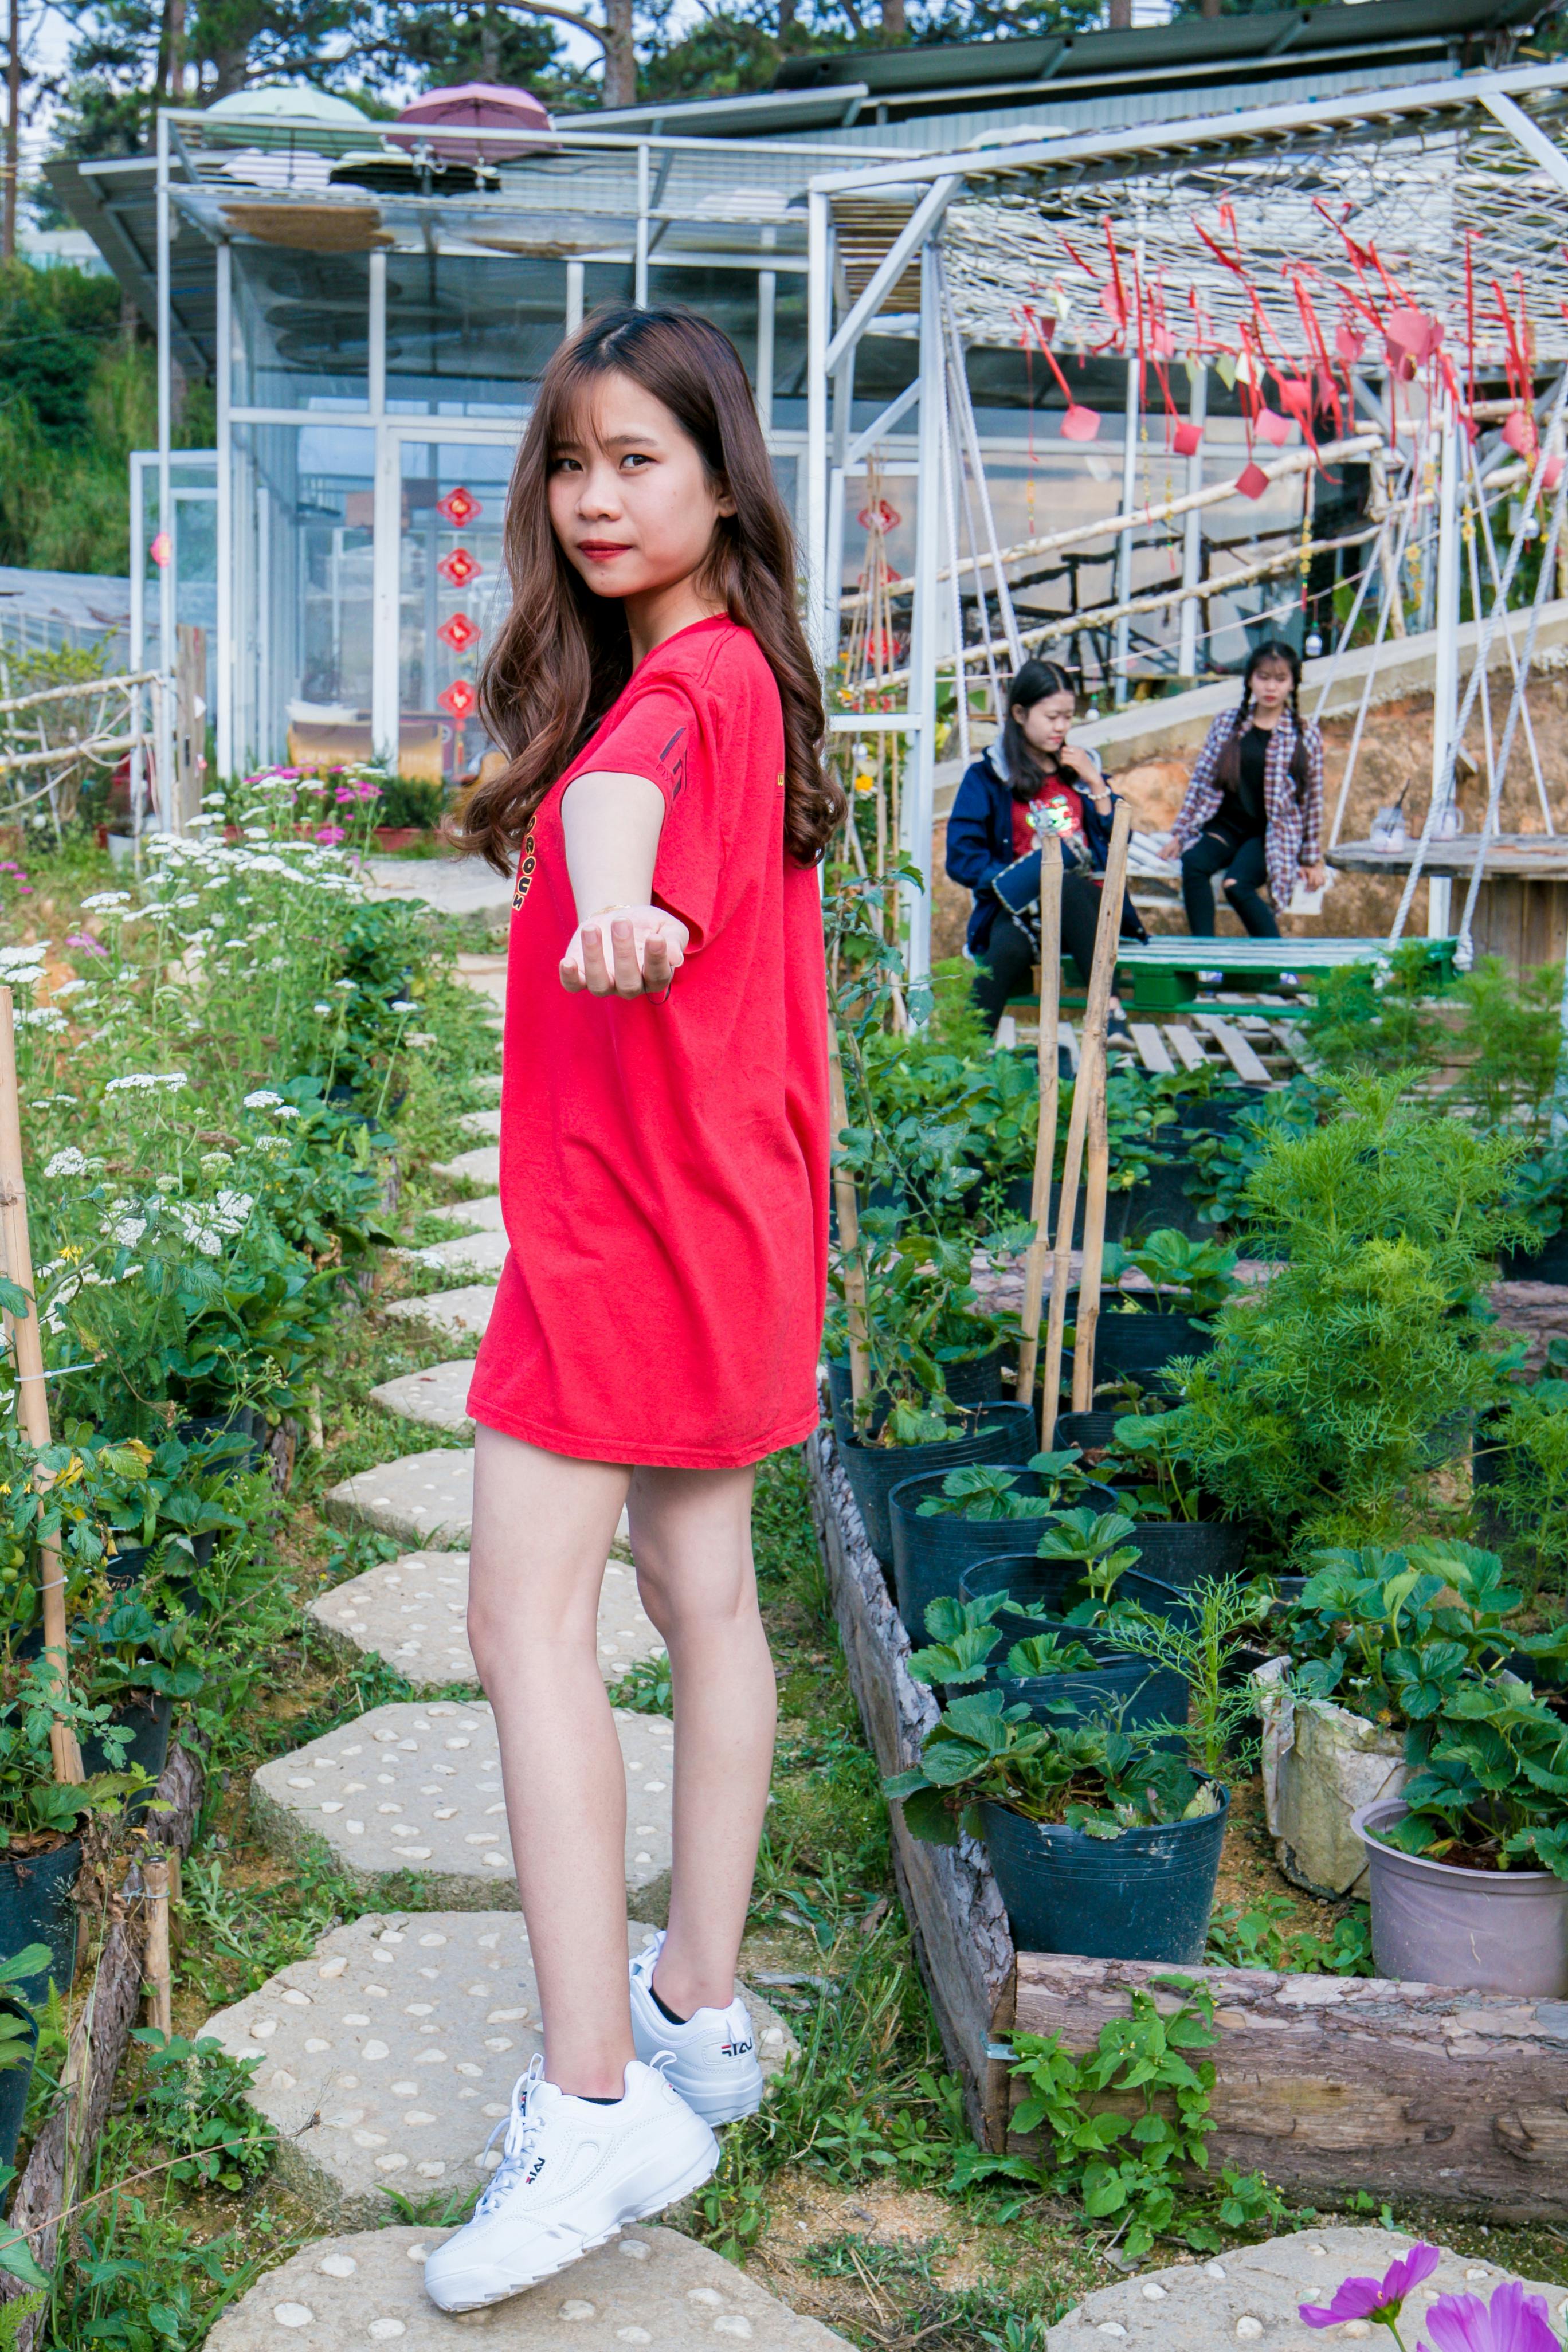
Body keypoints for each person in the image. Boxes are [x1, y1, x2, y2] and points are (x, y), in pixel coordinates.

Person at [424, 306, 842, 2316]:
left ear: (717, 479)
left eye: (637, 461)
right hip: (727, 1221)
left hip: (617, 1240)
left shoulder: (684, 688)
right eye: (572, 463)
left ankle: (592, 2101)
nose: (595, 498)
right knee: (707, 1604)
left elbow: (624, 818)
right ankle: (692, 2004)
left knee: (520, 1624)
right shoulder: (744, 669)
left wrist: (623, 899)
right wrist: (630, 889)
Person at [946, 657, 1146, 1034]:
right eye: (1052, 716)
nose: (1061, 727)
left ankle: (1109, 1010)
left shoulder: (1081, 769)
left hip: (1088, 913)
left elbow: (1118, 842)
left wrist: (1095, 782)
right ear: (1020, 713)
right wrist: (1015, 880)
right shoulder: (988, 776)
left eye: (1068, 717)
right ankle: (964, 1051)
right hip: (1024, 912)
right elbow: (962, 857)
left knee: (1065, 882)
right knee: (1004, 948)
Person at [1164, 640, 1327, 938]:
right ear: (1250, 679)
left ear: (1293, 684)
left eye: (1280, 679)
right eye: (1263, 678)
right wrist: (1181, 832)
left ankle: (1276, 967)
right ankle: (1204, 960)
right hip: (1225, 826)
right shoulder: (1227, 724)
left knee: (1236, 886)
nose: (1271, 688)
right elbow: (1201, 781)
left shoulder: (1304, 735)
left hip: (1270, 834)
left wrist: (1311, 858)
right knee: (1194, 864)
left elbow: (1313, 800)